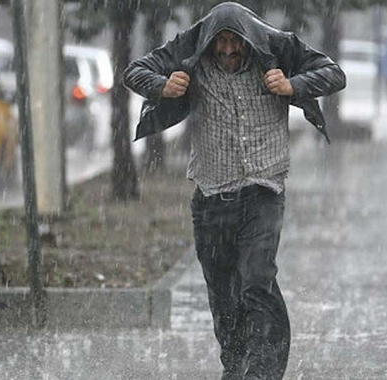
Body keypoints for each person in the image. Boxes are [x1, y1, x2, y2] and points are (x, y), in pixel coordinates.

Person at [123, 3, 345, 379]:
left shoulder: (276, 46)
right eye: (220, 42)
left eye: (235, 41)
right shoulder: (190, 46)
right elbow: (134, 71)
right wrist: (162, 86)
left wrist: (293, 85)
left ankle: (263, 371)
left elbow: (333, 73)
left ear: (249, 39)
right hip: (211, 198)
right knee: (224, 296)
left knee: (257, 282)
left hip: (263, 191)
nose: (227, 50)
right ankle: (235, 366)